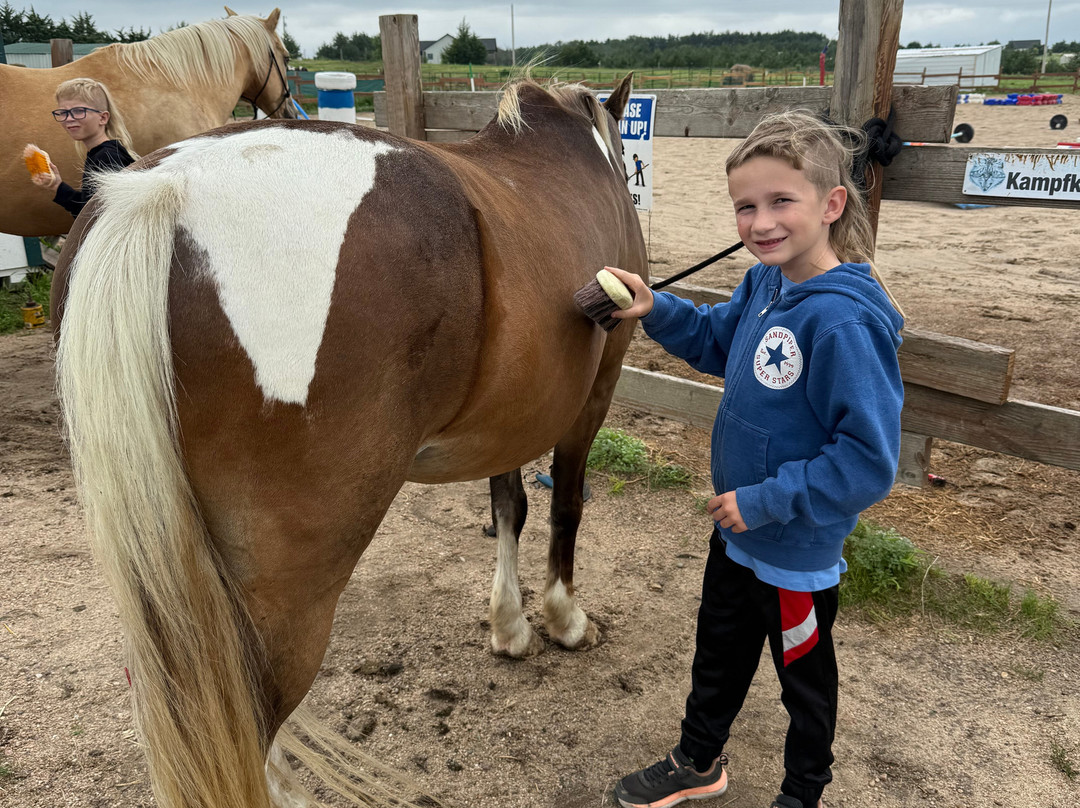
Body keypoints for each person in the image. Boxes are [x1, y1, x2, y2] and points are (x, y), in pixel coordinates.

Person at [606, 110, 905, 808]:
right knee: (718, 653)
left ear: (832, 205)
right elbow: (717, 340)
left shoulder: (843, 321)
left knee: (804, 683)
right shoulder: (765, 284)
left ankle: (802, 793)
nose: (761, 222)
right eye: (746, 206)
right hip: (736, 529)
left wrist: (766, 500)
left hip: (792, 550)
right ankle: (697, 760)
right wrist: (656, 309)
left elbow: (867, 460)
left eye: (780, 202)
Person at [32, 78, 137, 218]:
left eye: (78, 111)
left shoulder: (107, 157)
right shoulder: (100, 154)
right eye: (63, 112)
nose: (69, 118)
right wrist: (56, 185)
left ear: (103, 118)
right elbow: (87, 210)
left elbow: (98, 218)